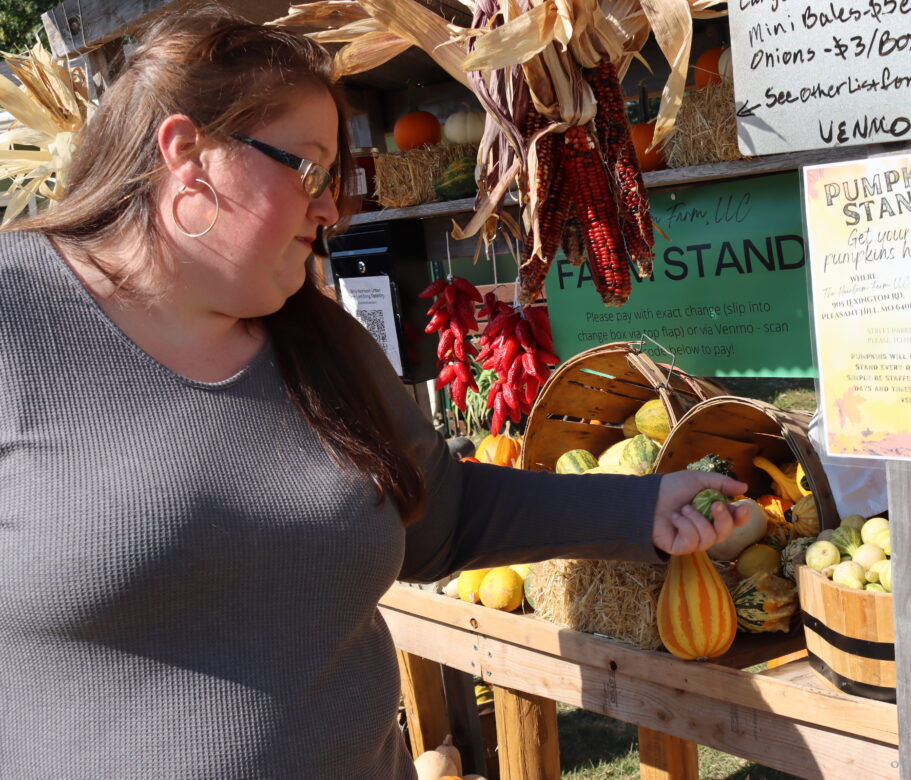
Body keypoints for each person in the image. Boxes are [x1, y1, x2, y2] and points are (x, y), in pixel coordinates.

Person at [0, 6, 749, 778]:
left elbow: (442, 518)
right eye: (310, 169)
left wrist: (638, 509)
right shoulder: (13, 317)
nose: (330, 208)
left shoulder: (320, 343)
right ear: (189, 155)